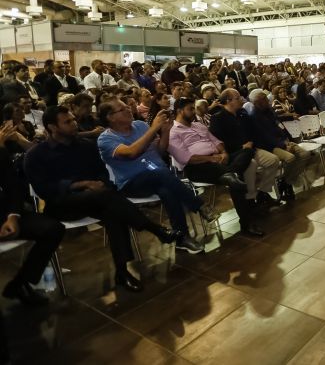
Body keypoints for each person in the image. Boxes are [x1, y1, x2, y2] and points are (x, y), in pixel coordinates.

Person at [25, 106, 178, 292]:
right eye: (68, 122)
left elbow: (102, 173)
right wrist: (82, 185)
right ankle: (155, 229)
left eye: (73, 119)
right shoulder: (36, 154)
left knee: (112, 208)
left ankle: (122, 272)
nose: (74, 124)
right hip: (63, 204)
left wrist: (98, 183)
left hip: (97, 199)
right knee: (110, 200)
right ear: (52, 127)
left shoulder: (85, 145)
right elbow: (45, 189)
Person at [97, 99, 216, 254]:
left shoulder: (140, 125)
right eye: (123, 109)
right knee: (161, 174)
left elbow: (159, 152)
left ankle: (182, 238)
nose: (128, 109)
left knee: (167, 190)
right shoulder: (106, 139)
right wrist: (153, 128)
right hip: (132, 182)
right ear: (110, 117)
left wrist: (165, 131)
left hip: (160, 176)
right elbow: (132, 153)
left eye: (127, 106)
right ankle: (199, 205)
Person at [168, 98, 259, 236]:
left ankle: (232, 175)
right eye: (190, 109)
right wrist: (211, 158)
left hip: (219, 161)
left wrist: (223, 153)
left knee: (247, 151)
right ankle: (246, 223)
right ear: (180, 111)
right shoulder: (173, 133)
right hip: (198, 167)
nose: (194, 112)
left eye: (194, 108)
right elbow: (186, 158)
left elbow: (216, 141)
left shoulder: (198, 126)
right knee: (234, 180)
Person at [1, 124, 64, 306]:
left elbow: (13, 187)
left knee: (53, 229)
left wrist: (13, 216)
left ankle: (21, 283)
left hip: (4, 214)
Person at [210, 89, 281, 206]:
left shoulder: (242, 114)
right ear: (229, 101)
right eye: (238, 98)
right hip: (234, 153)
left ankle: (262, 192)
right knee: (251, 164)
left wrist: (251, 142)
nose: (242, 100)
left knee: (273, 160)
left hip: (251, 149)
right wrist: (240, 146)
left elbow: (253, 132)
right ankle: (251, 198)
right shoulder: (217, 118)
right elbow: (218, 141)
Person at [247, 89, 312, 201]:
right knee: (290, 158)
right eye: (264, 98)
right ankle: (287, 184)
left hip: (282, 141)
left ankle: (286, 181)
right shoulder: (254, 117)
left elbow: (278, 125)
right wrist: (283, 145)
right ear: (256, 102)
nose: (267, 100)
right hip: (270, 146)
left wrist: (287, 139)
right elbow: (265, 137)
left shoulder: (269, 110)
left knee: (305, 155)